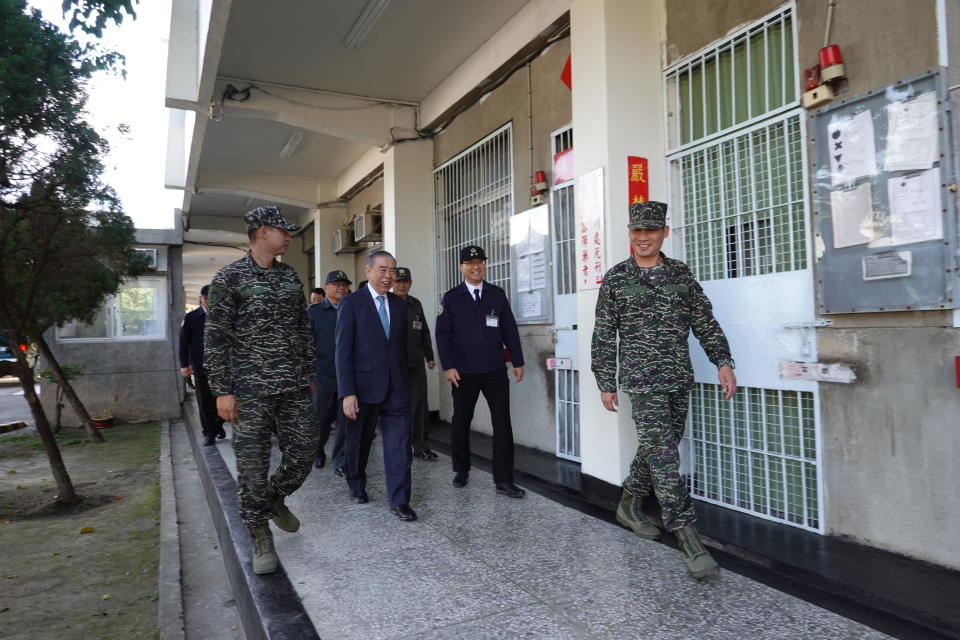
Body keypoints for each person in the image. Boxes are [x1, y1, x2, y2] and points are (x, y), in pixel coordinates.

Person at [591, 200, 737, 580]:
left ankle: (629, 504)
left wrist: (723, 362)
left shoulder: (681, 275)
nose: (643, 238)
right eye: (637, 232)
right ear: (630, 234)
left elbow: (704, 321)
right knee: (665, 457)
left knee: (660, 448)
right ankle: (688, 538)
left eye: (651, 231)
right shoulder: (617, 279)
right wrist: (605, 381)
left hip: (677, 377)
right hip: (641, 382)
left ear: (664, 233)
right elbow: (604, 335)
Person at [204, 205, 318, 575]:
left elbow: (303, 327)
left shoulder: (289, 276)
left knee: (304, 451)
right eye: (283, 231)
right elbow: (215, 338)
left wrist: (309, 369)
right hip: (250, 390)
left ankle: (274, 497)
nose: (289, 237)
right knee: (252, 467)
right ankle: (259, 536)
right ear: (263, 231)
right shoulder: (230, 278)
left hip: (294, 385)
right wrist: (222, 390)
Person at [435, 245, 525, 498]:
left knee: (502, 423)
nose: (476, 266)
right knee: (462, 421)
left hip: (494, 369)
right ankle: (461, 469)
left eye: (480, 262)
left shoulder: (497, 294)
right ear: (461, 267)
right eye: (470, 262)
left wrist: (518, 361)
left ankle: (504, 480)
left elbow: (509, 328)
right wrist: (448, 366)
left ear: (485, 265)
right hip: (463, 372)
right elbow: (442, 335)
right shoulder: (452, 298)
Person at [335, 250, 416, 522]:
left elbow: (402, 349)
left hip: (397, 389)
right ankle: (356, 485)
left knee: (400, 445)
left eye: (392, 270)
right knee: (358, 443)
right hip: (363, 387)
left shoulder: (401, 306)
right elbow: (343, 351)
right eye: (382, 269)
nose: (388, 276)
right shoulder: (352, 304)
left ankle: (400, 500)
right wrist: (348, 393)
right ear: (368, 272)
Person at [307, 270, 351, 471]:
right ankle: (317, 450)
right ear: (326, 288)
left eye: (344, 284)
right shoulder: (314, 312)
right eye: (336, 284)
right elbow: (305, 346)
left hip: (348, 377)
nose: (341, 287)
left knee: (345, 421)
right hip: (323, 376)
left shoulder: (353, 309)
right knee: (322, 420)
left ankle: (340, 460)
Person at [392, 267, 438, 460]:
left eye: (405, 281)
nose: (402, 285)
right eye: (398, 281)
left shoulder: (415, 304)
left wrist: (430, 356)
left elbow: (424, 331)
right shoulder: (386, 303)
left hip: (416, 363)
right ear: (393, 283)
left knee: (419, 405)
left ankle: (419, 444)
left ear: (410, 283)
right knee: (396, 406)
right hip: (394, 365)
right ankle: (398, 445)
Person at [179, 284, 226, 446]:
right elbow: (183, 342)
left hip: (221, 368)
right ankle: (209, 433)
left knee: (221, 398)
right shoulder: (192, 318)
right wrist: (184, 364)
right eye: (207, 299)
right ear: (201, 299)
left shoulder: (222, 316)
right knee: (204, 401)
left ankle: (218, 423)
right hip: (201, 366)